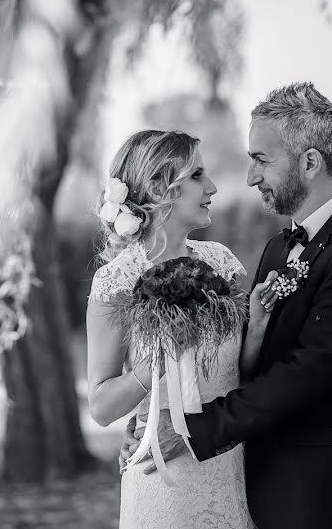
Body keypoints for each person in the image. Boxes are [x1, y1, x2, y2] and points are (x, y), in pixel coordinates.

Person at [121, 82, 332, 529]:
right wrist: (154, 418)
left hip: (322, 500)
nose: (250, 177)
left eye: (261, 160)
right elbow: (245, 365)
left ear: (310, 162)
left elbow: (305, 374)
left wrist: (193, 431)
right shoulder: (275, 248)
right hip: (256, 491)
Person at [86, 129, 258, 528]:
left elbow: (248, 371)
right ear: (160, 188)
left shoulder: (223, 263)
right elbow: (100, 405)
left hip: (231, 469)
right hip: (162, 481)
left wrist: (261, 324)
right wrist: (151, 371)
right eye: (197, 176)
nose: (212, 186)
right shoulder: (115, 282)